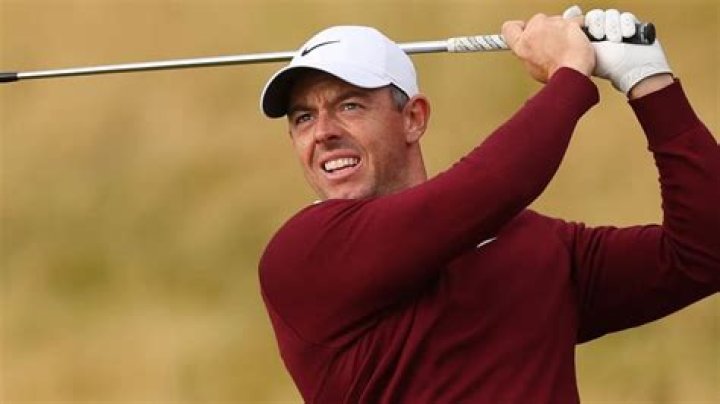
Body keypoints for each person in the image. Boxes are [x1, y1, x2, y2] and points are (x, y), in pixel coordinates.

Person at [257, 6, 719, 403]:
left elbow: (703, 252)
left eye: (350, 106)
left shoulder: (535, 245)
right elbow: (492, 185)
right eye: (303, 118)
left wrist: (648, 79)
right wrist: (569, 74)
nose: (323, 132)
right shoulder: (302, 254)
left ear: (413, 118)